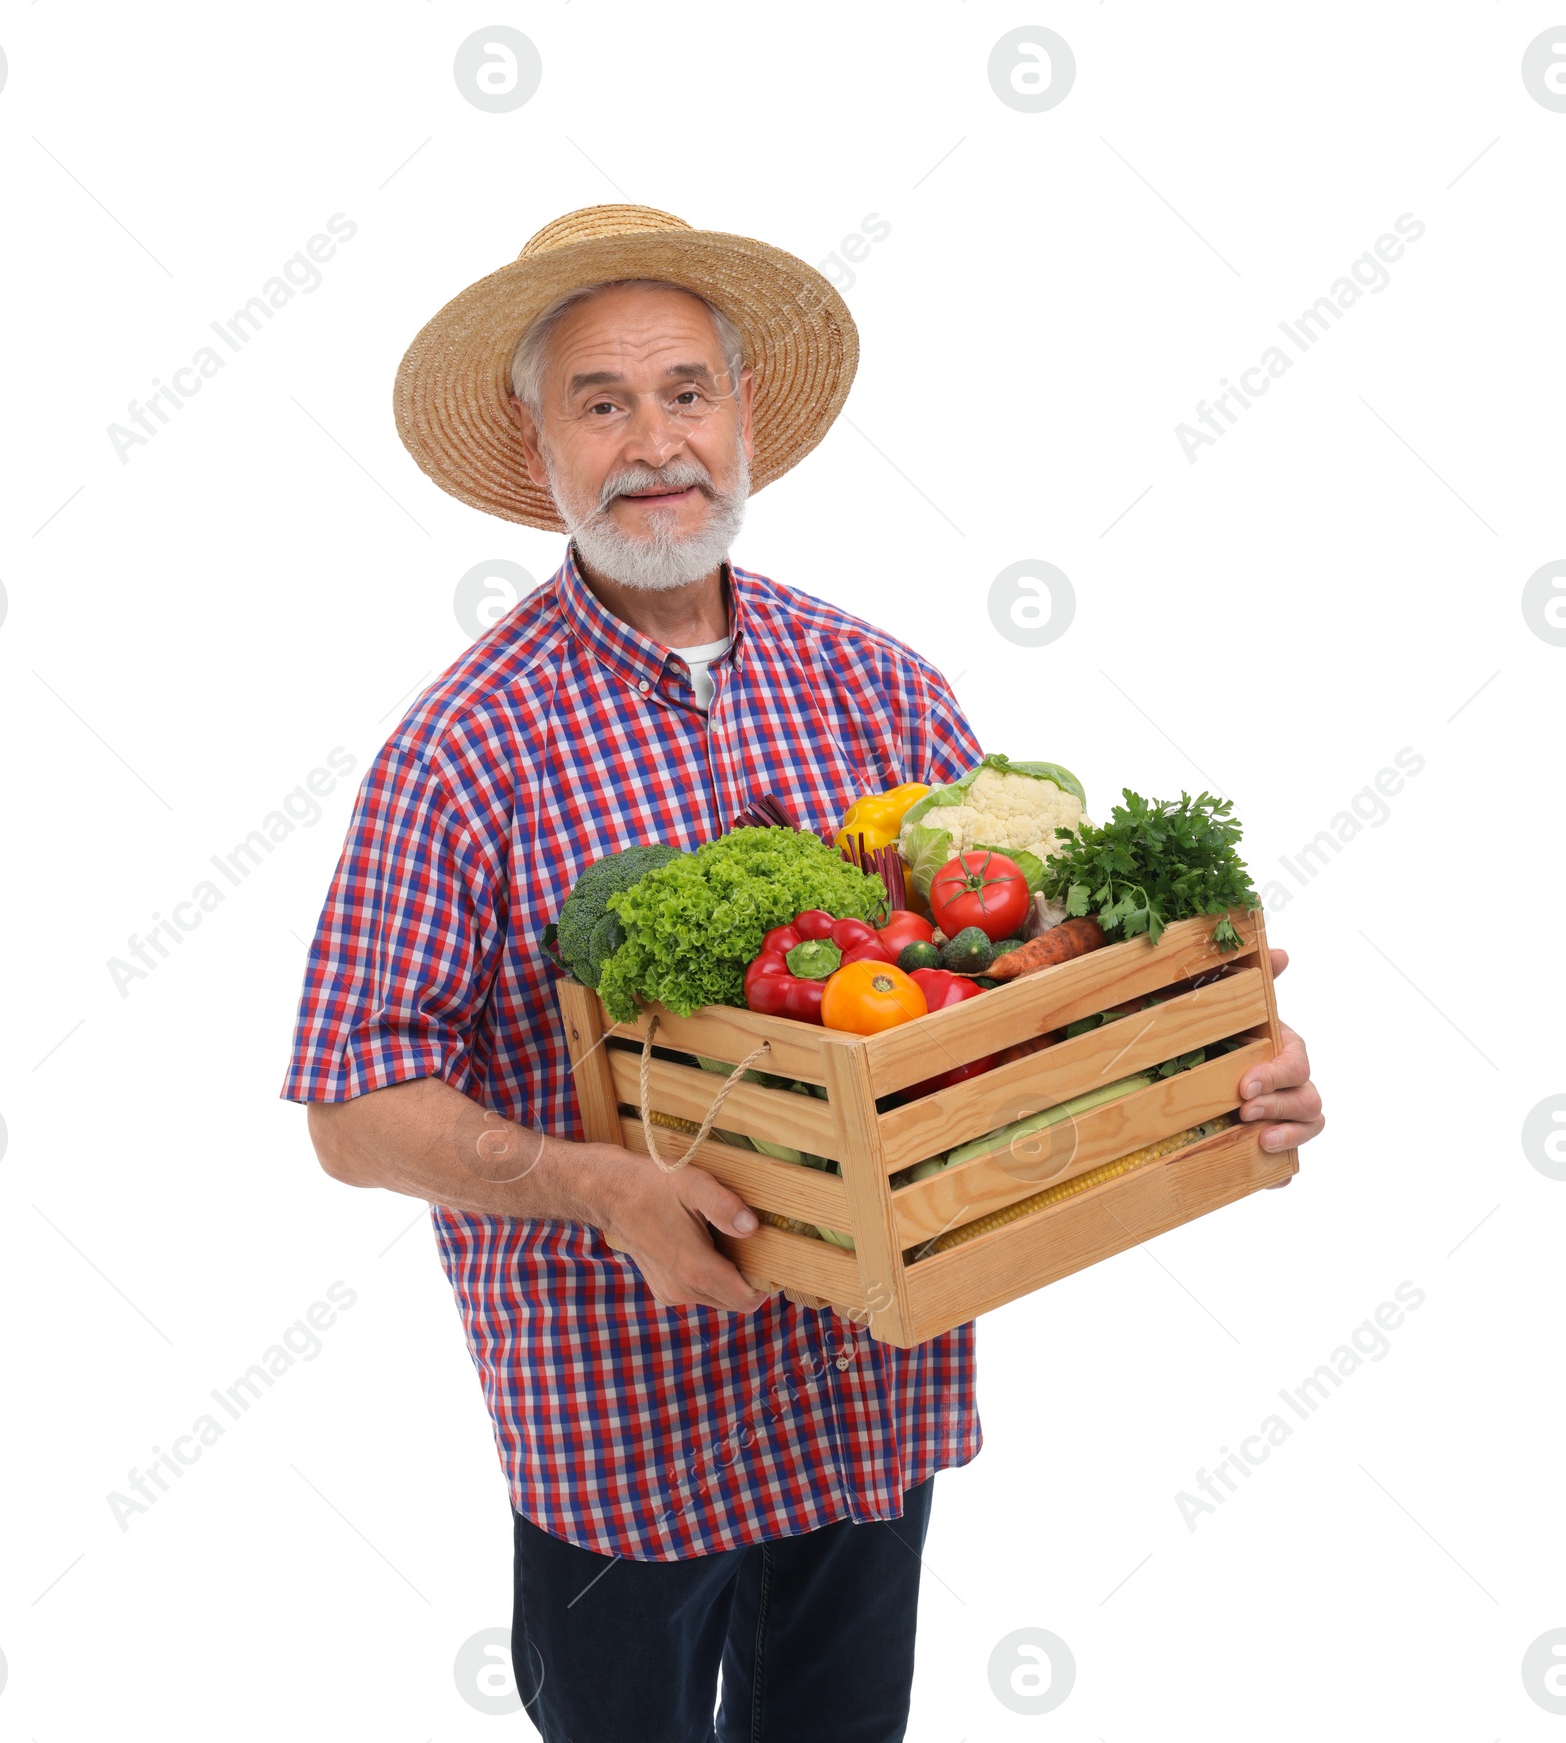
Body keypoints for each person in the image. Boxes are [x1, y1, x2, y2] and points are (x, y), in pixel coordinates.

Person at [283, 205, 1324, 1742]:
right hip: (624, 1426)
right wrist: (601, 1187)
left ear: (745, 414)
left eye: (688, 390)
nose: (656, 442)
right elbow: (350, 1105)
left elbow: (1033, 991)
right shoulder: (466, 748)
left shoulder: (879, 685)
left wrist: (1210, 1078)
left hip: (865, 1395)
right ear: (538, 445)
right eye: (602, 400)